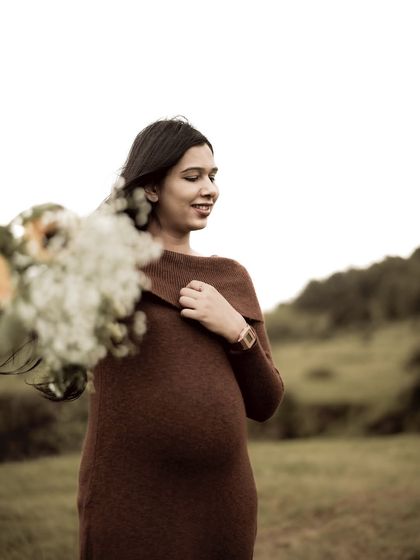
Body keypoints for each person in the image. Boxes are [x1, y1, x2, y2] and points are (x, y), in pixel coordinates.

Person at [77, 116, 285, 559]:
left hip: (224, 501)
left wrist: (237, 330)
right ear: (151, 187)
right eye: (192, 177)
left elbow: (266, 403)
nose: (209, 188)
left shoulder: (231, 278)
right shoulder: (106, 269)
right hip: (133, 499)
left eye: (212, 176)